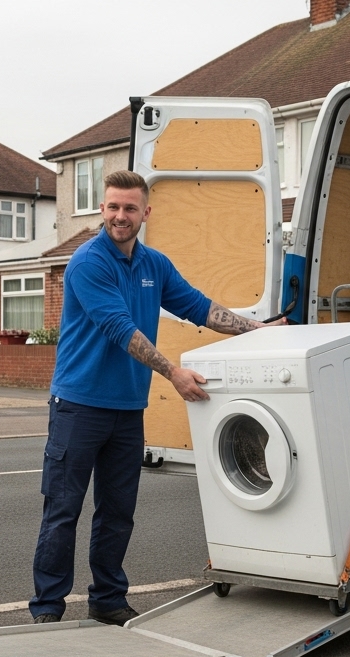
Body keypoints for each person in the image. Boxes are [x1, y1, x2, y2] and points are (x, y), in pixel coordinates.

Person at [29, 170, 283, 626]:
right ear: (102, 210)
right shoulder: (88, 263)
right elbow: (120, 329)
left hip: (127, 409)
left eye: (129, 208)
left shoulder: (154, 265)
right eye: (112, 207)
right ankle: (47, 608)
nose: (120, 216)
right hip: (79, 406)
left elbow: (200, 307)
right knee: (63, 509)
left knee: (118, 511)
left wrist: (259, 330)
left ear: (145, 212)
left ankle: (107, 598)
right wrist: (173, 373)